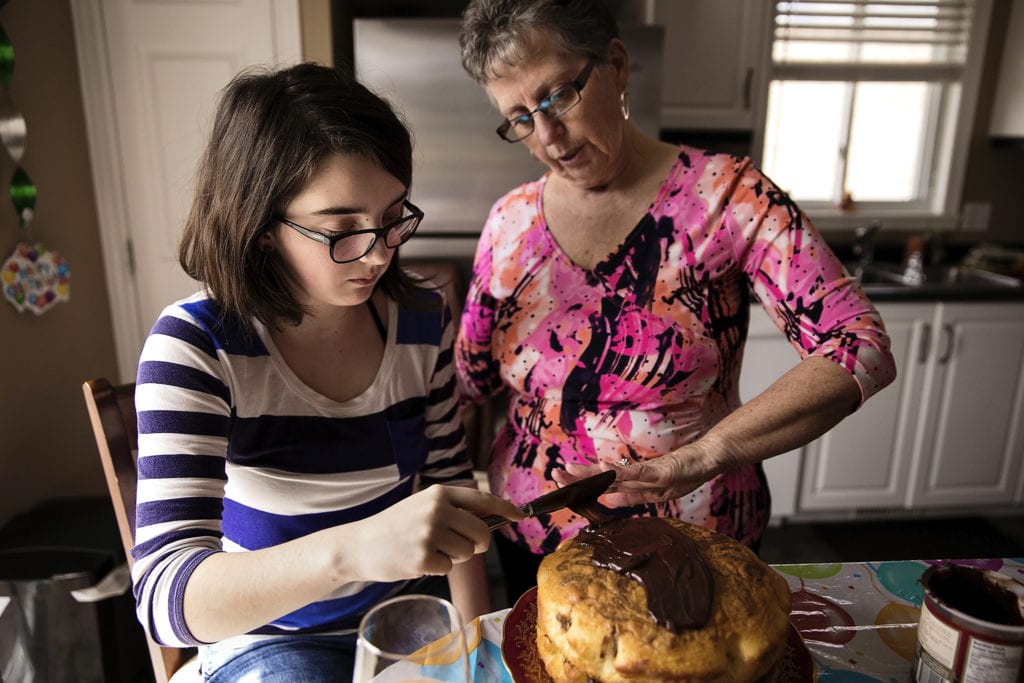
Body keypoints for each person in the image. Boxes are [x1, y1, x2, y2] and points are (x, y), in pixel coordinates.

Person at [455, 0, 897, 605]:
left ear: (614, 65)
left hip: (696, 535)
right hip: (537, 535)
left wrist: (701, 456)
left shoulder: (728, 197)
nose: (548, 136)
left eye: (558, 95)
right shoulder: (508, 224)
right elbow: (469, 381)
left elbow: (858, 347)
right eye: (520, 119)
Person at [131, 62, 522, 681]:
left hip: (403, 620)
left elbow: (451, 493)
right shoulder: (198, 344)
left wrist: (474, 650)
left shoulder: (421, 316)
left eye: (393, 216)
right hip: (267, 639)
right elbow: (164, 600)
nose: (379, 252)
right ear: (262, 230)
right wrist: (354, 548)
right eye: (342, 230)